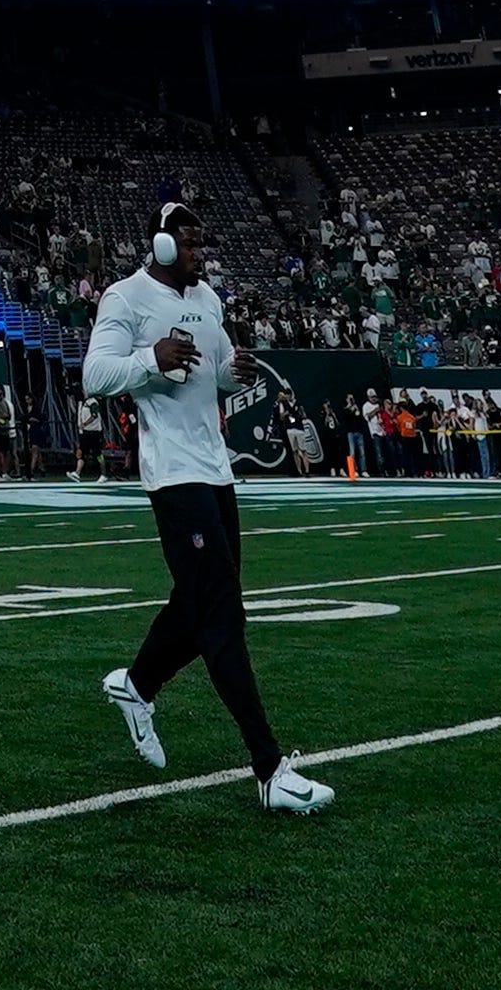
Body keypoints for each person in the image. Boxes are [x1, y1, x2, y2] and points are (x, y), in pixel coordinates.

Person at [86, 216, 330, 814]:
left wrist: (232, 372)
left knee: (200, 604)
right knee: (222, 613)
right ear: (164, 245)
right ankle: (269, 766)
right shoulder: (126, 296)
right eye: (191, 243)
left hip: (216, 469)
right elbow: (95, 375)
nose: (201, 252)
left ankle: (136, 685)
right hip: (172, 474)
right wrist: (151, 357)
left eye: (202, 242)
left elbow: (214, 375)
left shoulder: (209, 298)